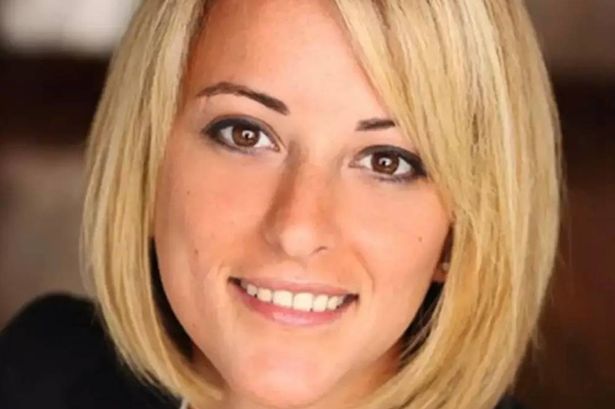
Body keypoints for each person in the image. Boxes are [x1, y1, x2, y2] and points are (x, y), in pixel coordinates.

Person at [0, 1, 562, 409]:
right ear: (148, 163)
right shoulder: (42, 371)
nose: (297, 229)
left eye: (387, 161)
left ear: (461, 231)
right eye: (245, 134)